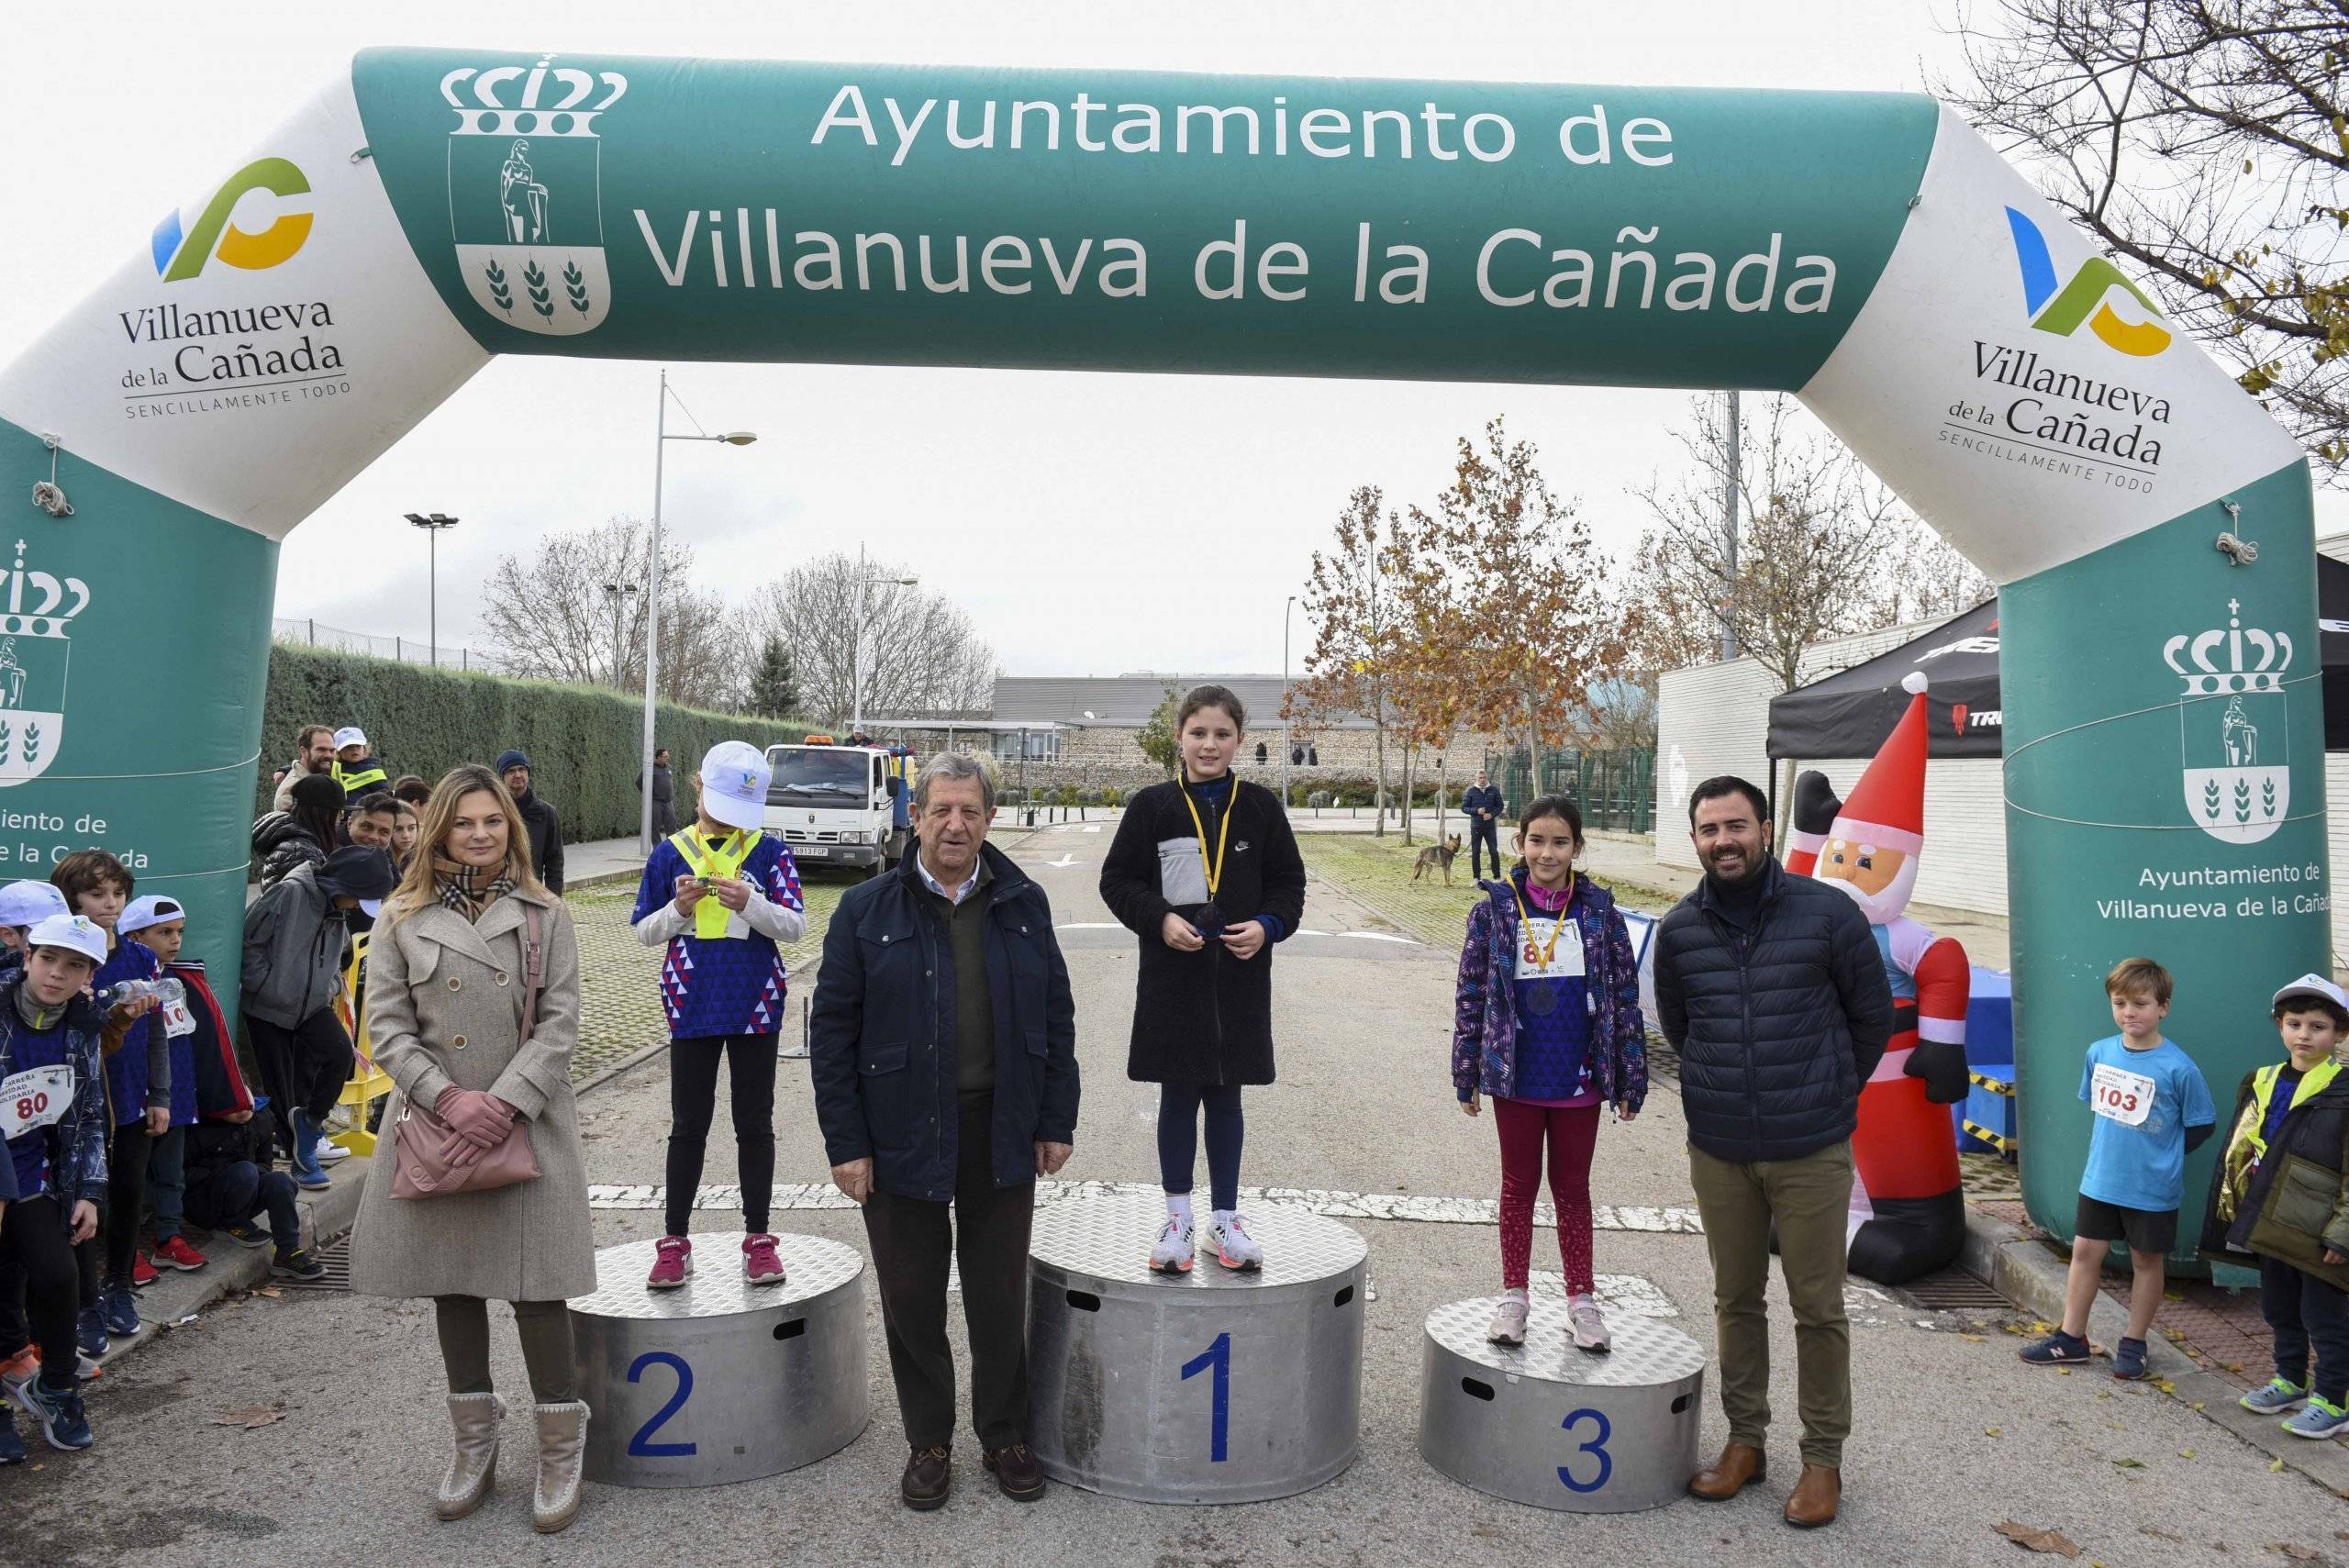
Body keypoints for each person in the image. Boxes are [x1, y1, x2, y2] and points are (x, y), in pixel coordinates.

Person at [811, 751, 1079, 1511]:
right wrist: (846, 1143)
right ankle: (929, 1441)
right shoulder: (865, 910)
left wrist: (1056, 1117)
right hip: (899, 1132)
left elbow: (1055, 1016)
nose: (955, 823)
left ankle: (1004, 1435)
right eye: (941, 810)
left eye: (970, 810)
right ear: (916, 816)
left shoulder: (1024, 901)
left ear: (989, 818)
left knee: (998, 1296)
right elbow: (832, 1035)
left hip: (1002, 1129)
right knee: (912, 1298)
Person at [350, 763, 596, 1535]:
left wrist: (505, 1101)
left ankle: (559, 1446)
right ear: (439, 831)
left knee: (536, 1285)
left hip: (527, 1123)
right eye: (465, 822)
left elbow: (562, 1021)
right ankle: (475, 1444)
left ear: (511, 829)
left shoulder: (546, 914)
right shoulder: (399, 916)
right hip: (436, 1123)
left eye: (494, 821)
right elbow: (385, 1024)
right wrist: (449, 1098)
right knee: (452, 1282)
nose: (481, 834)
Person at [1653, 774, 1892, 1529]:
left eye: (1736, 825)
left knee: (1818, 1306)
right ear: (1695, 839)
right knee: (1735, 1298)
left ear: (1763, 827)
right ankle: (1745, 1442)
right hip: (1720, 1147)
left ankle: (1823, 1458)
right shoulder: (1681, 928)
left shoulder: (1828, 913)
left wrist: (1828, 1094)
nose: (1724, 840)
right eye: (1709, 829)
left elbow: (1871, 1016)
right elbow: (1682, 1028)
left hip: (1810, 1148)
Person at [1099, 684, 1305, 1274]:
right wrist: (1158, 918)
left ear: (1240, 739)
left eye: (1221, 734)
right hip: (1174, 981)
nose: (1209, 744)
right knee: (1177, 1094)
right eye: (1198, 733)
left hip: (1239, 982)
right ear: (1179, 738)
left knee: (1227, 1097)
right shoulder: (1153, 807)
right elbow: (1118, 881)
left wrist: (1268, 926)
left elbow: (1290, 886)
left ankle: (1225, 1217)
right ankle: (1177, 1216)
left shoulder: (1261, 808)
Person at [1451, 795, 1647, 1350]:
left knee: (1572, 1190)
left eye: (1561, 842)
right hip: (1516, 1074)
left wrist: (1630, 1075)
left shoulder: (1600, 912)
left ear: (1578, 848)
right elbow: (1471, 992)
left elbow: (1625, 996)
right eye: (1537, 840)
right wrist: (1466, 1069)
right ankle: (1513, 1296)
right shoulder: (1494, 909)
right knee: (1517, 1187)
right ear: (1519, 844)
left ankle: (1581, 1300)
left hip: (1578, 1077)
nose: (1548, 852)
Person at [631, 741, 806, 1288]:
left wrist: (749, 904)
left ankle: (759, 1237)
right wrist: (679, 909)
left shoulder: (770, 852)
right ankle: (675, 1240)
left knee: (754, 1123)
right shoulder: (668, 854)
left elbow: (796, 926)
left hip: (756, 1002)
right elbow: (643, 931)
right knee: (689, 1125)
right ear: (698, 786)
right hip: (691, 1002)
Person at [2019, 957, 2218, 1380]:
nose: (2130, 1012)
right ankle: (2071, 1337)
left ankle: (2135, 1341)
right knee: (2085, 1252)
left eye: (2141, 1003)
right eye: (2121, 1002)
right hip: (2101, 1179)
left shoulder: (2178, 1067)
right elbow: (2098, 1107)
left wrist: (2160, 1158)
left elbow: (2201, 1124)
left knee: (2147, 1260)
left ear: (2162, 1007)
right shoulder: (2099, 1052)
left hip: (2152, 1188)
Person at [0, 915, 152, 1452]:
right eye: (47, 959)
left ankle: (58, 1388)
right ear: (26, 958)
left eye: (74, 966)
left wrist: (88, 1193)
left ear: (89, 974)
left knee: (59, 1274)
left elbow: (88, 1116)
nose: (56, 974)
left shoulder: (83, 1025)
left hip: (32, 1174)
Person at [2202, 973, 2349, 1437]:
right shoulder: (2262, 1081)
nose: (2304, 1035)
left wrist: (2343, 1234)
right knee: (2280, 1306)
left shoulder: (2343, 1091)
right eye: (2294, 1023)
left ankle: (2334, 1398)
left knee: (2324, 1314)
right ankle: (2291, 1377)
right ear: (2279, 1026)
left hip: (2319, 1224)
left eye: (2318, 1026)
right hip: (2270, 1217)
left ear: (2340, 1034)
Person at [52, 850, 168, 1351]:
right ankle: (87, 1301)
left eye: (118, 893)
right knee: (81, 1201)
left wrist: (160, 1094)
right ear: (70, 897)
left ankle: (120, 1285)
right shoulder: (62, 956)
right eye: (97, 894)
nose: (111, 904)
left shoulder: (140, 955)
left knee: (127, 1194)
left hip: (130, 1095)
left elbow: (158, 1030)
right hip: (74, 1104)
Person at [240, 844, 395, 1189]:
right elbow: (251, 940)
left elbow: (339, 952)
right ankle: (299, 1161)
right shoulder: (289, 893)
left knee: (340, 1054)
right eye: (357, 898)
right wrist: (263, 984)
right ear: (341, 887)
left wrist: (327, 990)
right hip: (267, 1006)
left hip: (311, 1005)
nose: (358, 907)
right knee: (280, 1090)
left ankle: (309, 1126)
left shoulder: (337, 908)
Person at [119, 895, 206, 1277]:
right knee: (128, 1174)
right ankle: (123, 1248)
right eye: (164, 932)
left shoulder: (181, 978)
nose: (175, 940)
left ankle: (167, 1238)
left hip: (176, 1090)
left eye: (179, 932)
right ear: (136, 936)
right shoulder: (121, 979)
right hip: (133, 1090)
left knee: (172, 1170)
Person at [253, 773, 344, 890]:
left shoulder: (300, 844)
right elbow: (302, 902)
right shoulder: (299, 851)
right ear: (323, 813)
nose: (342, 817)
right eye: (339, 811)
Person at [496, 750, 565, 895]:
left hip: (531, 890)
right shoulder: (494, 811)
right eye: (511, 771)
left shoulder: (547, 813)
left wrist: (554, 899)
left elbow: (555, 861)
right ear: (502, 777)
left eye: (522, 769)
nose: (518, 775)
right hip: (499, 893)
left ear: (528, 773)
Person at [272, 724, 338, 813]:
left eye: (332, 750)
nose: (328, 755)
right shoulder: (290, 791)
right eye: (321, 750)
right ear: (303, 751)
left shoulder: (326, 779)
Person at [1462, 769, 1506, 883]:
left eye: (1484, 777)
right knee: (1476, 852)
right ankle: (1476, 878)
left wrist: (1492, 814)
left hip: (1490, 827)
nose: (1482, 780)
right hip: (1476, 826)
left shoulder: (1494, 790)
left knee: (1494, 851)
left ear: (1487, 778)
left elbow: (1500, 806)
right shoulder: (1471, 791)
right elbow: (1464, 808)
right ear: (1476, 779)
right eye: (1480, 778)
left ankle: (1497, 877)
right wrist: (1477, 811)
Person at [331, 727, 391, 801]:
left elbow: (384, 796)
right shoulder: (332, 768)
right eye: (349, 746)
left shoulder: (372, 770)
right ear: (339, 751)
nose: (354, 749)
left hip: (363, 811)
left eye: (358, 746)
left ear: (364, 749)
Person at [639, 747, 678, 840]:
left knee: (672, 823)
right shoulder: (650, 768)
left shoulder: (668, 767)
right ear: (658, 757)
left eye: (667, 756)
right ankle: (657, 846)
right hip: (656, 802)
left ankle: (671, 845)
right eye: (665, 756)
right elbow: (639, 782)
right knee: (655, 825)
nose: (667, 757)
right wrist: (649, 795)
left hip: (668, 802)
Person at [387, 795, 423, 870]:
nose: (406, 835)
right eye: (398, 829)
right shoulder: (382, 861)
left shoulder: (424, 857)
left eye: (411, 828)